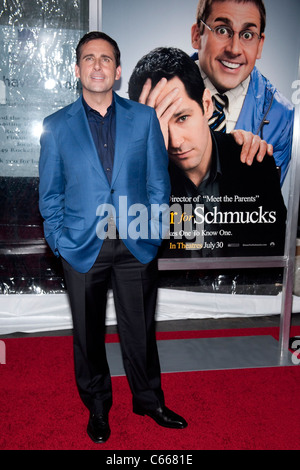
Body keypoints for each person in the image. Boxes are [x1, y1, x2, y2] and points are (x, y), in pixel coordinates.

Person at [39, 32, 187, 445]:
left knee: (139, 329)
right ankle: (98, 405)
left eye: (106, 59)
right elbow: (49, 194)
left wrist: (156, 230)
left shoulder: (143, 119)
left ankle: (148, 400)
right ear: (77, 69)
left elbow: (159, 181)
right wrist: (59, 240)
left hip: (137, 242)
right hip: (81, 246)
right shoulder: (55, 126)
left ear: (118, 71)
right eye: (89, 58)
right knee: (87, 335)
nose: (98, 65)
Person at [128, 47, 287, 258]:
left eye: (182, 118)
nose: (175, 141)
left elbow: (276, 257)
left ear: (206, 104)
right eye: (158, 127)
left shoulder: (254, 162)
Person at [190, 0, 294, 186]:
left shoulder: (282, 117)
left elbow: (266, 205)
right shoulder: (156, 93)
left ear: (260, 45)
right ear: (197, 35)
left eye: (247, 35)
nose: (234, 49)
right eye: (222, 30)